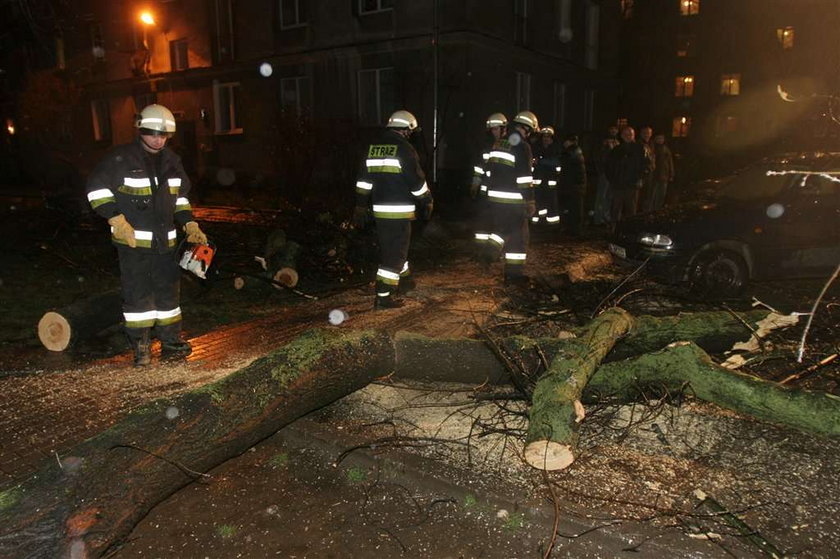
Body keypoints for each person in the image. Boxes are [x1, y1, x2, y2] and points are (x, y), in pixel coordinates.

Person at [86, 104, 207, 366]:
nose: (158, 139)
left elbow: (181, 197)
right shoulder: (121, 159)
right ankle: (141, 349)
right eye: (153, 133)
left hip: (166, 244)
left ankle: (171, 343)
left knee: (169, 298)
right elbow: (96, 190)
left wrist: (189, 224)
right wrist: (115, 217)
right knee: (138, 298)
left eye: (164, 135)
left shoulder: (172, 162)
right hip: (133, 245)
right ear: (141, 130)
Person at [353, 109, 433, 309]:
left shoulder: (373, 147)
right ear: (406, 130)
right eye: (410, 132)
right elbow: (416, 181)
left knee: (393, 247)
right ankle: (384, 295)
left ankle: (405, 281)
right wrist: (427, 200)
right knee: (395, 253)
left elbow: (363, 181)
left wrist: (360, 205)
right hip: (399, 211)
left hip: (379, 211)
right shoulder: (405, 149)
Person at [484, 110, 538, 285]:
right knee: (519, 237)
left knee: (504, 228)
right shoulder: (522, 146)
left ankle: (492, 251)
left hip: (495, 198)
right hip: (513, 199)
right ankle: (511, 273)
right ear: (528, 129)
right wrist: (530, 201)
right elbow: (524, 178)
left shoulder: (500, 143)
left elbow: (491, 170)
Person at [472, 113, 507, 261]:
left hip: (501, 192)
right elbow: (480, 166)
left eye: (496, 129)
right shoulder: (488, 146)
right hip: (486, 192)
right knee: (483, 222)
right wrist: (475, 182)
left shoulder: (509, 144)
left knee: (501, 223)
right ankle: (482, 251)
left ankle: (494, 252)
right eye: (491, 130)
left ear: (504, 128)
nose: (493, 132)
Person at [605, 125, 647, 228]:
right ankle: (614, 229)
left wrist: (640, 178)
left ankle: (630, 229)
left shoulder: (639, 149)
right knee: (615, 209)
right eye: (626, 134)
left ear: (634, 135)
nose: (628, 136)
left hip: (632, 185)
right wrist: (612, 179)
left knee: (631, 210)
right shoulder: (616, 150)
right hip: (618, 184)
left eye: (630, 134)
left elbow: (645, 165)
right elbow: (609, 166)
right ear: (622, 136)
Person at [531, 126, 561, 228]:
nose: (546, 139)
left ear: (552, 138)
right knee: (538, 202)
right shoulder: (536, 147)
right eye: (544, 136)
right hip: (538, 182)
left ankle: (553, 225)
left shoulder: (556, 148)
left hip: (551, 181)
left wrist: (541, 161)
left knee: (551, 203)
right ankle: (537, 222)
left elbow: (556, 162)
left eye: (548, 137)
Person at [557, 133, 587, 236]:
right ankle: (573, 229)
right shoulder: (575, 151)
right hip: (575, 186)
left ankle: (575, 230)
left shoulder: (572, 152)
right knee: (574, 209)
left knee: (575, 209)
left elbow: (564, 163)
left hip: (573, 186)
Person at [592, 125, 619, 226]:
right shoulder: (603, 142)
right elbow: (599, 157)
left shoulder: (617, 141)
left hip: (614, 174)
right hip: (605, 173)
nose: (613, 131)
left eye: (615, 129)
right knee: (601, 196)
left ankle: (606, 216)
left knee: (609, 196)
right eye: (612, 129)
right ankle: (598, 218)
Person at [646, 133, 675, 211]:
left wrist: (671, 174)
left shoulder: (666, 149)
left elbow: (670, 162)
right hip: (654, 176)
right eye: (658, 138)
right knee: (652, 195)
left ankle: (658, 210)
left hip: (664, 176)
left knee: (661, 195)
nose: (660, 140)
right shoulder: (652, 148)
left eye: (661, 138)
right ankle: (649, 211)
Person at [637, 125, 656, 212]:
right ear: (641, 134)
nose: (646, 135)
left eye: (648, 133)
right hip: (641, 173)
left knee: (648, 193)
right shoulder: (638, 144)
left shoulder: (651, 144)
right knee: (640, 194)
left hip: (650, 172)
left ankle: (645, 211)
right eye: (645, 133)